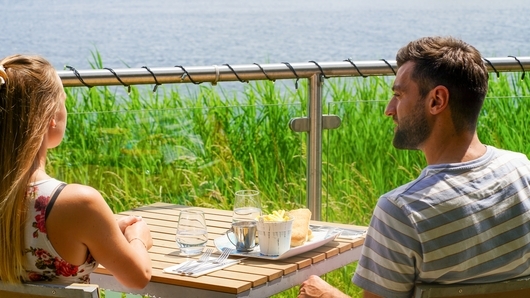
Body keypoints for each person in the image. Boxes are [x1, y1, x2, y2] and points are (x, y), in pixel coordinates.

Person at [298, 36, 530, 298]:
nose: (389, 109)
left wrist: (326, 295)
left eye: (398, 95)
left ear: (436, 101)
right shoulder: (522, 171)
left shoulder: (402, 211)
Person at [0, 54, 153, 289]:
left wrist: (105, 227)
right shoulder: (80, 204)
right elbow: (138, 277)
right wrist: (137, 238)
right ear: (51, 117)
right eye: (64, 101)